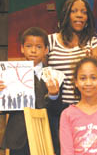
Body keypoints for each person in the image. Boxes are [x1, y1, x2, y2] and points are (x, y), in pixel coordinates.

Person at [0, 27, 61, 155]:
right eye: (29, 46)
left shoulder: (54, 75)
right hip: (18, 137)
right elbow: (4, 109)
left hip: (44, 134)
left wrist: (53, 96)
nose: (33, 50)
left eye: (38, 47)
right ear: (22, 48)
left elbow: (57, 110)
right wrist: (2, 94)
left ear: (46, 50)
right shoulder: (10, 73)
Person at [48, 0, 97, 106]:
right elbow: (41, 73)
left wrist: (91, 62)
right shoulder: (50, 41)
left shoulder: (93, 42)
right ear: (66, 15)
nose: (79, 15)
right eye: (74, 11)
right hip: (55, 107)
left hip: (84, 106)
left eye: (84, 12)